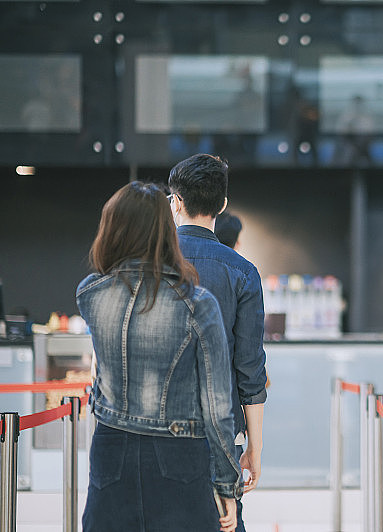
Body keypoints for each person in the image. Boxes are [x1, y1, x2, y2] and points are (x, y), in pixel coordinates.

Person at [76, 182, 241, 532]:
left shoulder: (90, 293)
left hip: (110, 448)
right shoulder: (198, 304)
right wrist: (227, 483)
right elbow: (216, 405)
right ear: (167, 233)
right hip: (179, 455)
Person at [168, 154, 268, 532]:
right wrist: (254, 447)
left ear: (175, 202)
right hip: (220, 433)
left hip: (153, 431)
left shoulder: (145, 265)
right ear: (222, 205)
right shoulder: (243, 272)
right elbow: (250, 370)